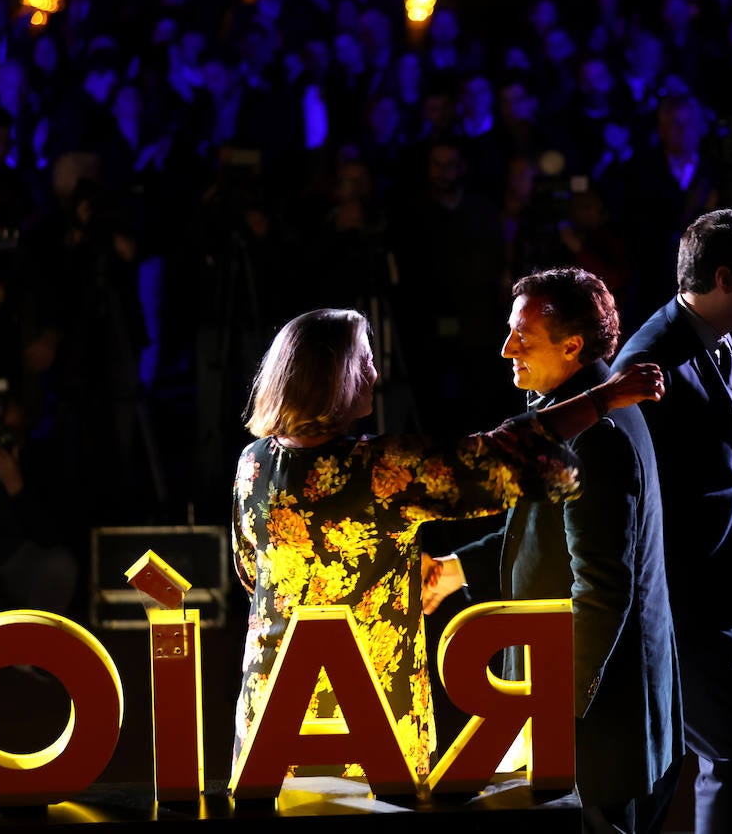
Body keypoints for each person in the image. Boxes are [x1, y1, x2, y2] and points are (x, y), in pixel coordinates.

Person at [230, 308, 664, 782]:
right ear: (336, 378)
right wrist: (602, 399)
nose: (377, 373)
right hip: (367, 727)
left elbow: (253, 571)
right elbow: (499, 456)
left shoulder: (252, 464)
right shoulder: (379, 471)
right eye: (366, 361)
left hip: (271, 715)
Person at [421, 268, 681, 832]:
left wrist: (553, 714)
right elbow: (535, 535)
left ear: (572, 346)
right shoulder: (576, 415)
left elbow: (602, 590)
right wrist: (454, 570)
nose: (506, 348)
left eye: (523, 337)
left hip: (594, 728)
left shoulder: (596, 435)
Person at [611, 209, 732, 834]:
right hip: (675, 600)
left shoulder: (715, 335)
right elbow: (632, 494)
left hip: (702, 595)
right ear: (725, 278)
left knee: (663, 769)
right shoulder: (649, 361)